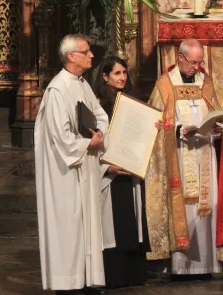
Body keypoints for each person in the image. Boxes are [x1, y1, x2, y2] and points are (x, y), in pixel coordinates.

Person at [146, 38, 223, 277]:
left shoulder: (206, 82)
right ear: (180, 58)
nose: (197, 67)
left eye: (200, 62)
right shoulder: (165, 85)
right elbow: (154, 122)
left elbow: (217, 116)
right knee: (183, 207)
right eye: (193, 62)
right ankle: (181, 267)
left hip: (206, 155)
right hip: (177, 157)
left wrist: (215, 127)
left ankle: (209, 264)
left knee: (208, 206)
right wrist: (178, 128)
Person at [34, 34, 108, 294]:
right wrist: (90, 143)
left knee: (85, 224)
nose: (91, 56)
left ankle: (86, 280)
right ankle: (68, 283)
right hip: (66, 172)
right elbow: (60, 136)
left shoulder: (81, 83)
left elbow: (99, 114)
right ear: (71, 56)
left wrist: (99, 134)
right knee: (69, 226)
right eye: (86, 52)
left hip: (84, 165)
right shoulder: (57, 90)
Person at [92, 56, 151, 288]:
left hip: (131, 169)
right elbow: (91, 139)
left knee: (131, 220)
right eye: (117, 73)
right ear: (105, 76)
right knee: (112, 224)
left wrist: (150, 127)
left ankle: (133, 273)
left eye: (124, 73)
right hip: (110, 172)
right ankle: (113, 274)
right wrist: (107, 166)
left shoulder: (132, 101)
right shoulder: (97, 106)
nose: (122, 78)